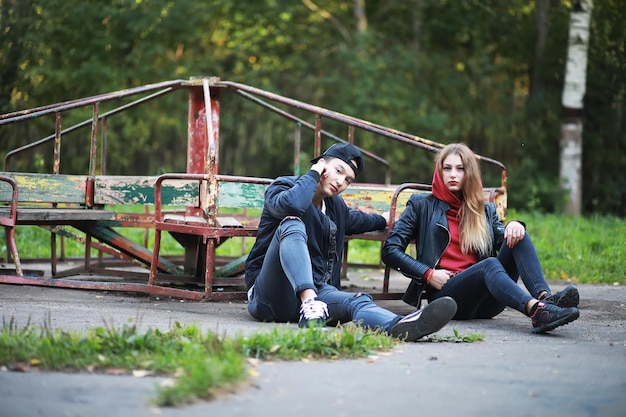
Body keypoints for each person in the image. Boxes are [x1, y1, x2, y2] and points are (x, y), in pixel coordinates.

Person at [245, 143, 457, 341]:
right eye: (338, 171)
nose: (340, 182)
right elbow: (294, 205)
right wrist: (314, 173)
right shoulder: (283, 187)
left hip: (318, 299)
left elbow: (356, 219)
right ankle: (309, 301)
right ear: (322, 163)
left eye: (347, 180)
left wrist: (384, 219)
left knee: (358, 300)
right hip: (270, 297)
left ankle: (400, 327)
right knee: (292, 224)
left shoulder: (334, 206)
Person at [381, 142, 580, 334]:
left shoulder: (484, 210)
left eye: (460, 169)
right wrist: (428, 274)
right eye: (447, 168)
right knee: (489, 264)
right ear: (439, 171)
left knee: (519, 235)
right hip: (448, 299)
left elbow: (505, 241)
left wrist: (513, 225)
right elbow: (390, 250)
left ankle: (545, 299)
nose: (453, 174)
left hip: (488, 301)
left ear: (469, 173)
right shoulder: (421, 206)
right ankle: (537, 311)